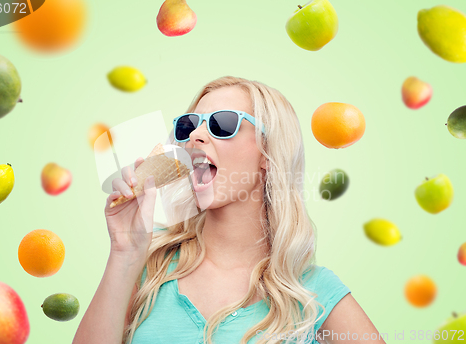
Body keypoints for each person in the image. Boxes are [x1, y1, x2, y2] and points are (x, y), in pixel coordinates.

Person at [73, 76, 386, 344]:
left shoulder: (311, 292)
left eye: (222, 124)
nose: (195, 135)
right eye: (188, 125)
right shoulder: (148, 264)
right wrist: (125, 252)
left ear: (267, 151)